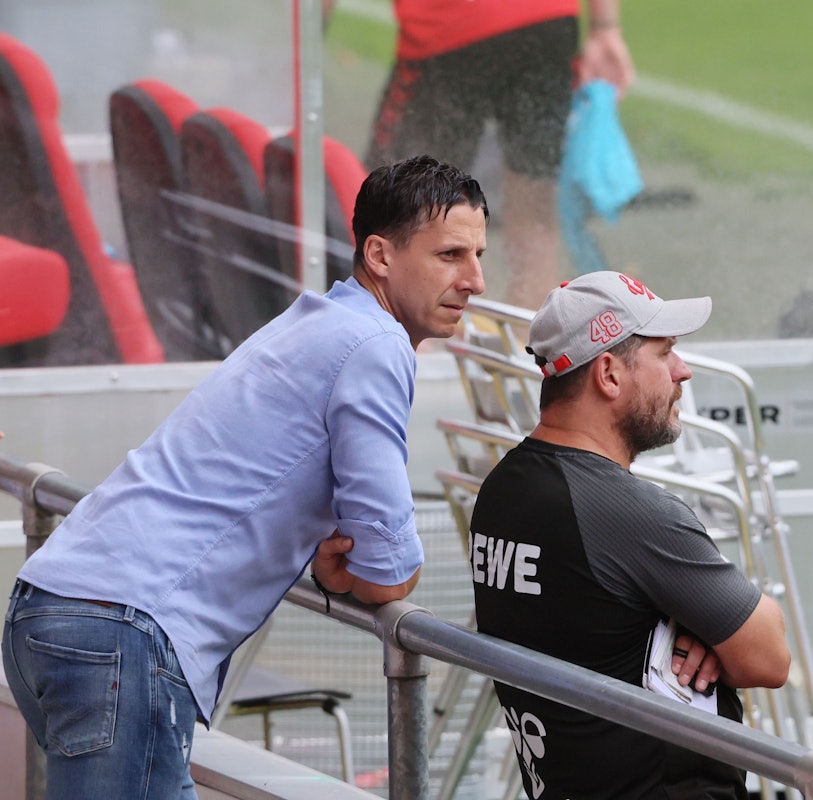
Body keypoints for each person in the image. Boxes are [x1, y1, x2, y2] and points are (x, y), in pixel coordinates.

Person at [1, 155, 488, 800]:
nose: (475, 279)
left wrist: (333, 563)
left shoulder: (320, 321)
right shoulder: (375, 343)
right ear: (380, 254)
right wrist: (354, 568)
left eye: (479, 254)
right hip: (121, 634)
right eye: (451, 254)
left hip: (54, 613)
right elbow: (391, 569)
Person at [469, 271, 792, 799]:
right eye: (665, 353)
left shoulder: (502, 490)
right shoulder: (626, 512)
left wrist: (691, 631)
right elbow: (770, 655)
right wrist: (706, 629)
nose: (683, 372)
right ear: (609, 375)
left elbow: (595, 627)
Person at [365, 1, 634, 310]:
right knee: (534, 203)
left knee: (399, 204)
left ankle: (411, 347)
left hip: (452, 23)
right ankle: (534, 342)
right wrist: (605, 27)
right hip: (546, 23)